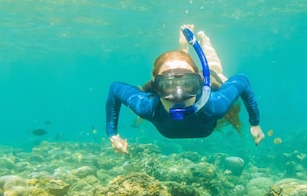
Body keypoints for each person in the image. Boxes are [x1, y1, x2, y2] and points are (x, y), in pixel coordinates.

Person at [105, 25, 265, 154]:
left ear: (200, 83)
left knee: (215, 70)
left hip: (208, 81)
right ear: (156, 88)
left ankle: (205, 42)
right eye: (168, 85)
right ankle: (183, 50)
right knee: (180, 69)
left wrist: (255, 123)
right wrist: (113, 134)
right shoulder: (148, 107)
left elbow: (242, 81)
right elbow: (115, 89)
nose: (178, 95)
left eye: (187, 84)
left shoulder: (214, 105)